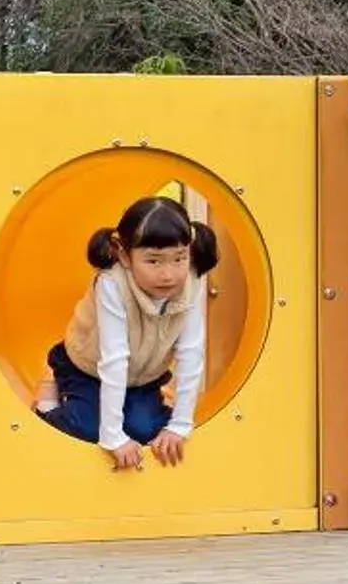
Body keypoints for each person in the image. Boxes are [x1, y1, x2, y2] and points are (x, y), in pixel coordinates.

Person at [34, 194, 215, 470]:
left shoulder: (191, 280)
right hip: (87, 368)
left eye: (179, 258)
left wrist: (179, 426)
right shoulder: (111, 284)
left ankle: (142, 412)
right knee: (87, 429)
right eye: (153, 261)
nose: (169, 274)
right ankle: (48, 400)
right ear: (124, 255)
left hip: (142, 378)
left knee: (146, 431)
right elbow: (114, 359)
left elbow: (191, 353)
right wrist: (112, 437)